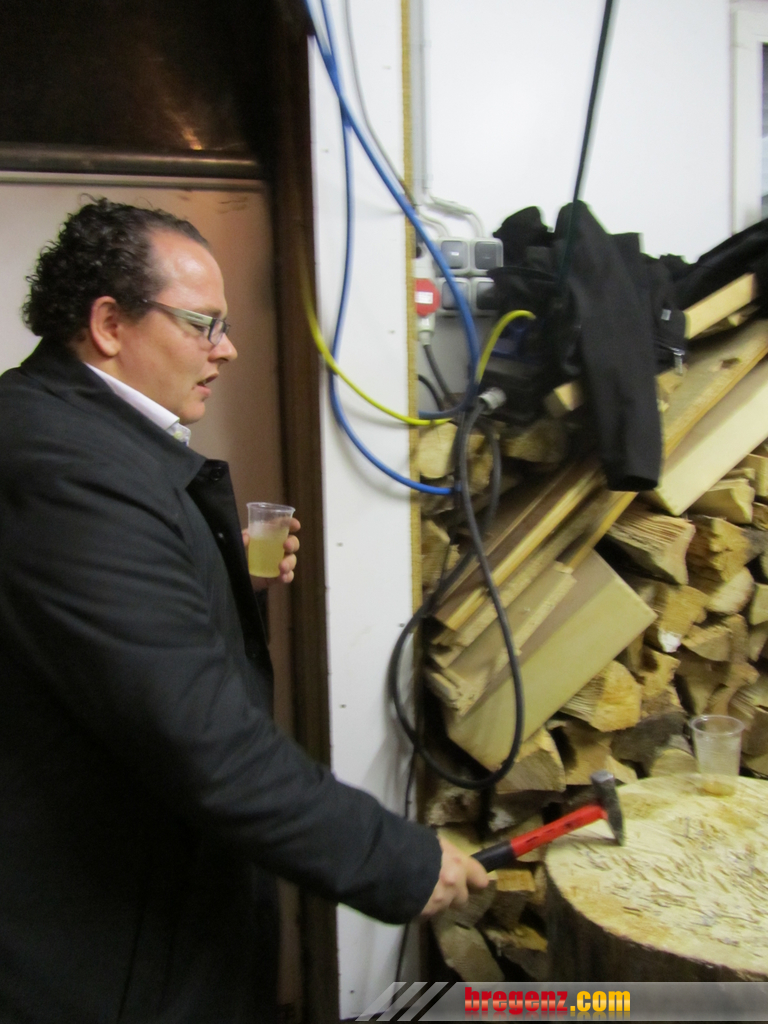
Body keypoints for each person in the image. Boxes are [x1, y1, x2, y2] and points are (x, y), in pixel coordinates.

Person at [0, 199, 486, 1024]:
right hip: (98, 946)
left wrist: (229, 581)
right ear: (110, 324)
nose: (225, 349)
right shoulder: (65, 466)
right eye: (203, 325)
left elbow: (111, 634)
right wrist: (395, 858)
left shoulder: (75, 432)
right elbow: (195, 734)